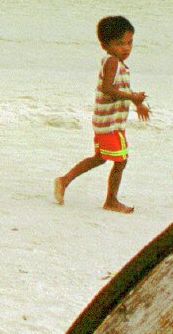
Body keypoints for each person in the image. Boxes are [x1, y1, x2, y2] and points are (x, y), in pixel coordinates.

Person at [54, 15, 148, 213]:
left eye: (130, 43)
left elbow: (117, 89)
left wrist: (136, 101)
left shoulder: (117, 63)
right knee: (120, 160)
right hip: (110, 124)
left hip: (106, 122)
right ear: (105, 45)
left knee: (100, 158)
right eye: (120, 43)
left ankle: (65, 180)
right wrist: (133, 98)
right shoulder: (112, 61)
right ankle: (111, 200)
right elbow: (107, 89)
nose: (126, 48)